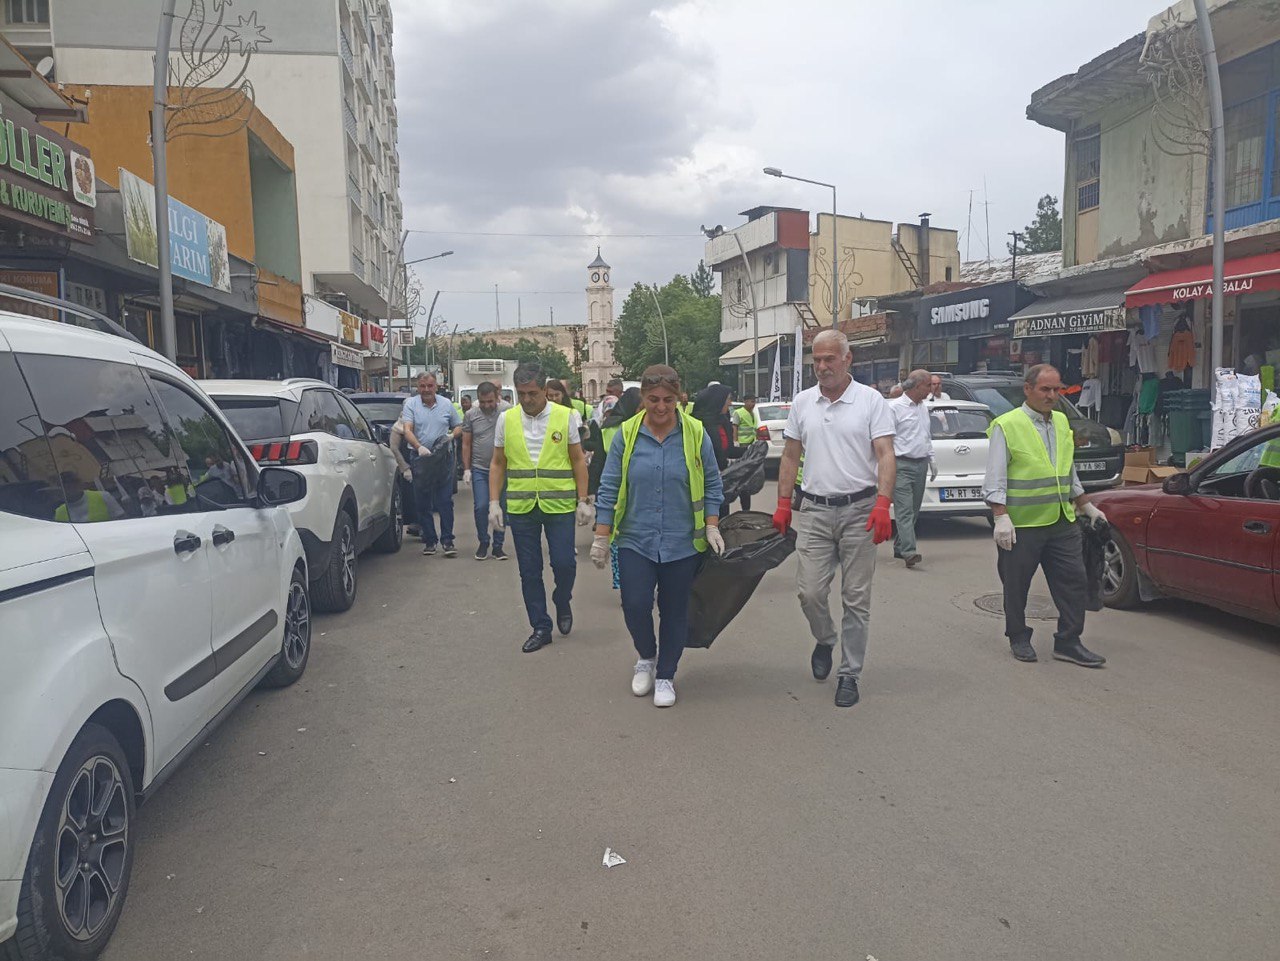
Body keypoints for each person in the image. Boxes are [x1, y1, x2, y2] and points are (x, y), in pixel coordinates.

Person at [772, 329, 896, 709]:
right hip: (814, 511)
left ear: (848, 359)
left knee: (856, 599)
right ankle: (825, 638)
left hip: (861, 510)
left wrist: (883, 503)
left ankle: (849, 674)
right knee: (809, 592)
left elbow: (886, 453)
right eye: (817, 360)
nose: (822, 367)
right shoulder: (803, 402)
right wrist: (781, 502)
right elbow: (791, 455)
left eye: (829, 359)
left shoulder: (871, 402)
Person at [592, 365, 724, 708]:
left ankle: (666, 674)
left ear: (679, 397)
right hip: (636, 537)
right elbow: (609, 486)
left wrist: (712, 524)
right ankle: (646, 657)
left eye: (668, 399)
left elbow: (712, 483)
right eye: (653, 399)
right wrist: (601, 535)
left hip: (683, 541)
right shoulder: (627, 434)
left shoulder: (695, 433)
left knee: (674, 609)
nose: (661, 407)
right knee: (635, 604)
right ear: (643, 399)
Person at [983, 364, 1108, 668]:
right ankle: (1019, 636)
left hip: (1061, 521)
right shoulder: (1007, 425)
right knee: (1017, 585)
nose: (1052, 396)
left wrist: (1085, 505)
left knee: (1074, 581)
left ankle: (1068, 641)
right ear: (1028, 390)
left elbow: (1067, 468)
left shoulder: (1062, 421)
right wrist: (1000, 515)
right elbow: (995, 475)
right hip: (1022, 523)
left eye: (1057, 390)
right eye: (1045, 390)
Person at [490, 363, 592, 652]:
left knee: (564, 563)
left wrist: (583, 500)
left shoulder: (564, 416)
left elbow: (577, 460)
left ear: (545, 390)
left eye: (532, 393)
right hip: (522, 507)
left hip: (558, 504)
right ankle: (540, 626)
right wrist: (494, 503)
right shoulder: (506, 419)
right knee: (529, 571)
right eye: (521, 394)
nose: (526, 400)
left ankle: (562, 600)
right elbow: (498, 463)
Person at [401, 372, 462, 557]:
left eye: (430, 386)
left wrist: (451, 435)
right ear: (418, 388)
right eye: (422, 386)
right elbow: (407, 430)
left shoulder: (446, 404)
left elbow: (458, 426)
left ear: (436, 386)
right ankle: (429, 540)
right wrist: (418, 447)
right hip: (420, 459)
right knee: (422, 502)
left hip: (443, 459)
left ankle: (448, 541)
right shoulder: (411, 405)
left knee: (444, 501)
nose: (426, 390)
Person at [590, 387, 642, 589]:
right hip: (617, 497)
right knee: (620, 543)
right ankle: (626, 586)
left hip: (640, 494)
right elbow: (598, 464)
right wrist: (588, 496)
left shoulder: (649, 427)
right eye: (639, 407)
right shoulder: (610, 430)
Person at [889, 370, 938, 568]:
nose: (931, 389)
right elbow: (886, 440)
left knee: (915, 509)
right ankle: (910, 552)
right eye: (928, 385)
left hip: (921, 464)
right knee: (904, 510)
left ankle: (900, 547)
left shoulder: (923, 408)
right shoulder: (894, 408)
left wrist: (932, 459)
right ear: (917, 386)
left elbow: (926, 436)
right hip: (901, 464)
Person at [462, 381, 510, 560]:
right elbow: (466, 444)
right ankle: (483, 541)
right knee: (481, 506)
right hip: (480, 469)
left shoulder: (507, 412)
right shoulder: (471, 415)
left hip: (502, 469)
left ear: (497, 397)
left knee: (501, 506)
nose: (487, 406)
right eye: (483, 402)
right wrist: (466, 469)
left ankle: (498, 546)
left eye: (490, 401)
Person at [54, 471, 124, 522]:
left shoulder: (103, 496)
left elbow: (123, 522)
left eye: (75, 482)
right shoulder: (59, 513)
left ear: (79, 483)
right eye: (66, 485)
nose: (71, 487)